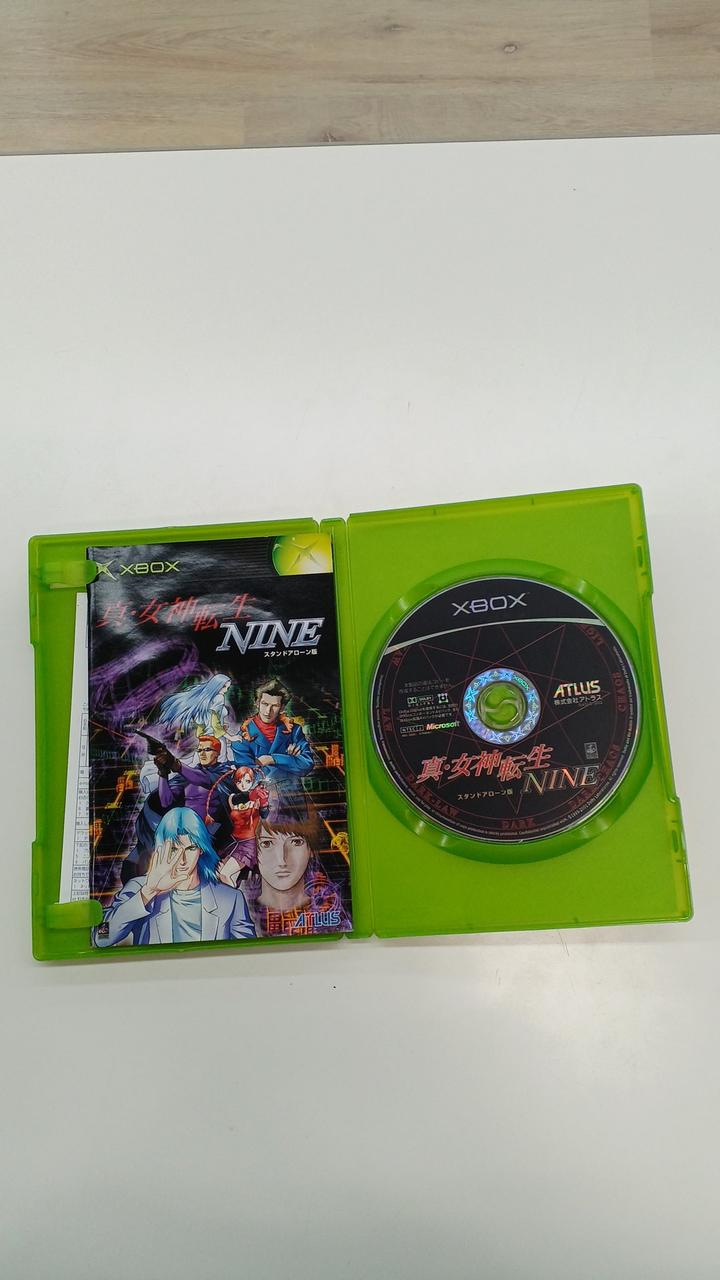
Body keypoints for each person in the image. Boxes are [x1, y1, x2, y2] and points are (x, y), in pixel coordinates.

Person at [94, 807, 256, 947]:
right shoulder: (139, 888)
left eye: (190, 848)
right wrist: (148, 892)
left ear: (201, 849)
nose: (182, 859)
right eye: (174, 849)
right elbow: (100, 937)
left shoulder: (230, 899)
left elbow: (248, 955)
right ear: (160, 848)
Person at [244, 793, 351, 938]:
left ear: (311, 849)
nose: (282, 860)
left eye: (295, 842)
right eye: (267, 843)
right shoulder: (237, 906)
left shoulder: (334, 912)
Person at [232, 678, 314, 781]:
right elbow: (248, 777)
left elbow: (306, 764)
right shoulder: (241, 738)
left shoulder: (294, 731)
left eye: (275, 706)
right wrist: (290, 760)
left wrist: (272, 759)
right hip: (262, 791)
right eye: (265, 704)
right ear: (257, 703)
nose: (268, 711)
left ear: (282, 708)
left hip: (291, 790)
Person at [215, 766, 270, 885]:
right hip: (232, 842)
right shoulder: (232, 798)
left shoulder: (257, 798)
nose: (243, 785)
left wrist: (264, 803)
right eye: (239, 781)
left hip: (247, 844)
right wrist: (252, 795)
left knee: (224, 875)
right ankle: (232, 894)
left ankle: (234, 896)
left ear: (252, 781)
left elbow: (264, 815)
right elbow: (239, 798)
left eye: (247, 781)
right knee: (219, 873)